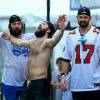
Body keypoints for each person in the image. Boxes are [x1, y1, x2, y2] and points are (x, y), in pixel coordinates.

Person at [3, 17, 65, 100]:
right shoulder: (33, 41)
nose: (40, 24)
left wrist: (61, 31)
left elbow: (55, 39)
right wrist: (10, 38)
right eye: (14, 24)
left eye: (43, 24)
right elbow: (21, 42)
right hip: (28, 82)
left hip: (40, 83)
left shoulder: (47, 42)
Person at [61, 7, 100, 100]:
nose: (83, 19)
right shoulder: (71, 35)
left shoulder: (97, 34)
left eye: (85, 17)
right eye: (81, 17)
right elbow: (66, 59)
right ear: (77, 18)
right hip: (76, 84)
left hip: (94, 84)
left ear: (90, 18)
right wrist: (63, 77)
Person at [0, 15, 36, 100]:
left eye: (19, 24)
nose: (17, 26)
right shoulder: (4, 37)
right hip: (9, 84)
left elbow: (44, 33)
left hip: (25, 83)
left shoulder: (28, 37)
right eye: (14, 24)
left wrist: (56, 25)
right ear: (9, 26)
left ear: (22, 25)